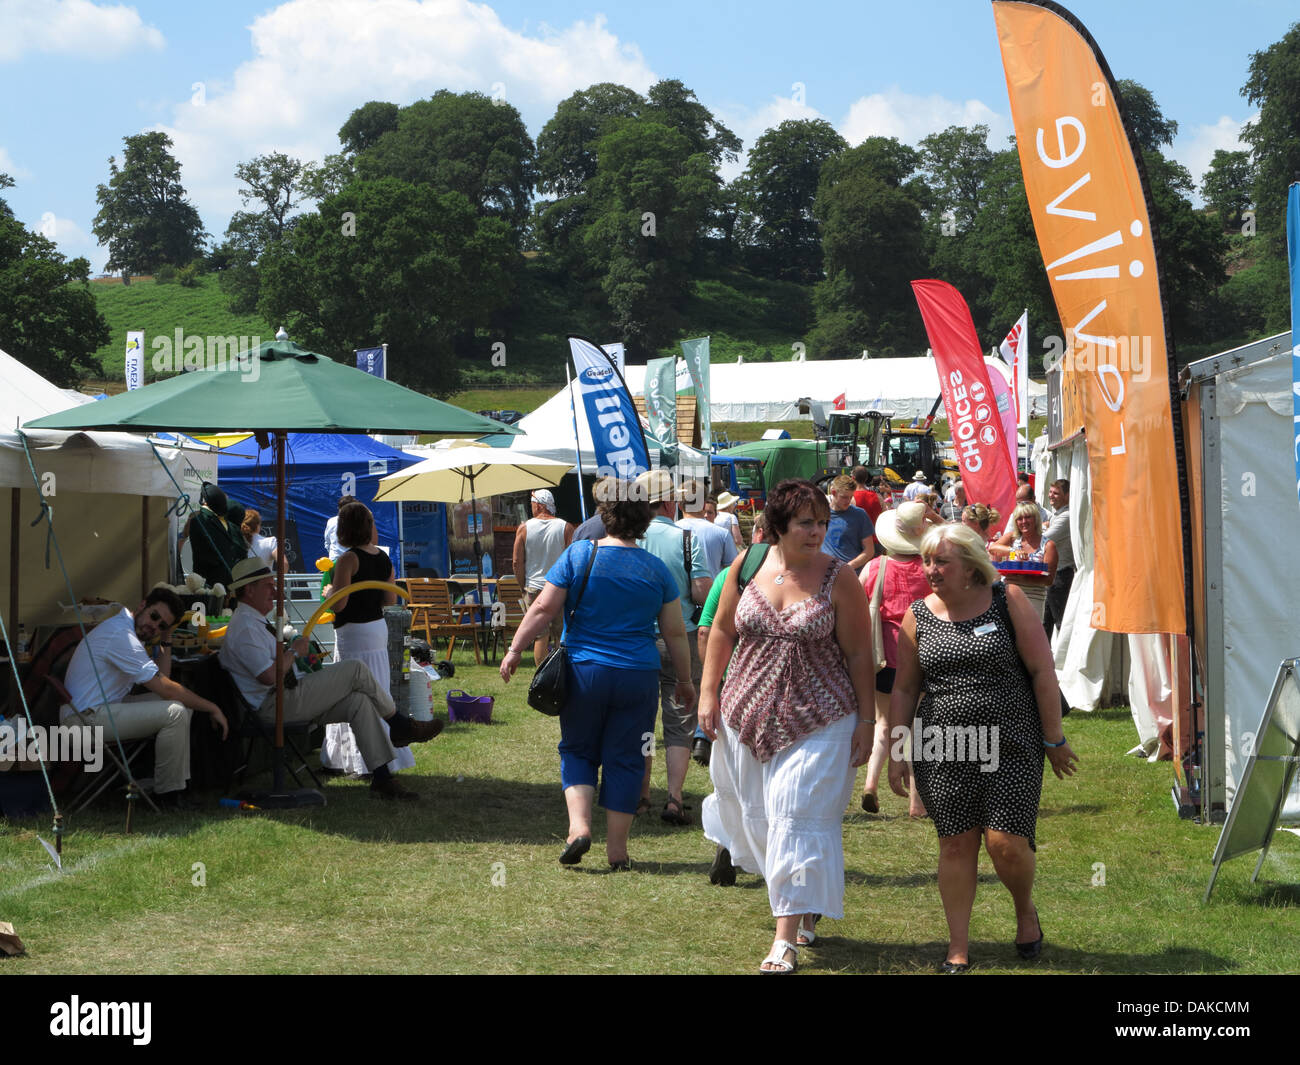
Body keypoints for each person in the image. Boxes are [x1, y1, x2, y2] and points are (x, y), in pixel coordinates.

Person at [698, 479, 875, 973]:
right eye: (806, 522)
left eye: (823, 522)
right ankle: (804, 901)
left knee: (795, 814)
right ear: (778, 525)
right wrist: (709, 692)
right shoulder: (748, 563)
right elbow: (721, 630)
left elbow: (861, 653)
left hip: (822, 716)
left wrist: (867, 718)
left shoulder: (839, 577)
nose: (818, 531)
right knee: (759, 817)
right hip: (746, 715)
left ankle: (784, 939)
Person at [888, 523, 1077, 972]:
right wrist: (898, 750)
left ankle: (1024, 910)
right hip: (944, 746)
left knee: (1006, 843)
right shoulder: (919, 614)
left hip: (1011, 742)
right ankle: (958, 945)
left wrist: (1054, 737)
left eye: (941, 562)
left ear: (971, 566)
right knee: (955, 844)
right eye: (927, 561)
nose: (931, 570)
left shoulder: (1006, 600)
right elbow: (903, 690)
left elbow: (1042, 671)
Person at [499, 478, 694, 869]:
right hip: (638, 676)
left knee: (577, 748)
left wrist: (515, 649)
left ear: (605, 515)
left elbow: (542, 610)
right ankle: (618, 851)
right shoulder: (656, 570)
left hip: (585, 671)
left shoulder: (579, 555)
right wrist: (686, 681)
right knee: (628, 757)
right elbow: (674, 631)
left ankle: (580, 829)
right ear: (645, 518)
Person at [219, 557, 441, 801]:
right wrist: (293, 653)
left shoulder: (252, 622)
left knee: (358, 701)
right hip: (275, 705)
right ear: (249, 590)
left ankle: (382, 778)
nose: (275, 590)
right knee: (355, 669)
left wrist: (294, 653)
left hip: (285, 698)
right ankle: (399, 724)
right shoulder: (245, 627)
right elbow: (269, 676)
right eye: (268, 585)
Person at [60, 588, 228, 808]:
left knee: (181, 708)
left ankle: (171, 786)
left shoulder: (126, 630)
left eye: (162, 626)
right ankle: (168, 796)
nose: (154, 626)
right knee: (176, 712)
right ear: (142, 606)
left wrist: (166, 639)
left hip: (96, 712)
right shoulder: (122, 636)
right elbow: (166, 687)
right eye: (154, 616)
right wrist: (212, 707)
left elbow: (163, 680)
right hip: (82, 722)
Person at [634, 469, 710, 824]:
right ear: (670, 501)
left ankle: (642, 793)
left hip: (638, 639)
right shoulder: (686, 539)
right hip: (682, 637)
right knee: (680, 721)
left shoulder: (629, 538)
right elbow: (700, 592)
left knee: (643, 721)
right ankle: (675, 798)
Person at [318, 502, 415, 779]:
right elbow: (390, 599)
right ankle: (379, 756)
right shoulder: (384, 558)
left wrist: (328, 592)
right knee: (378, 688)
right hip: (376, 629)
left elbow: (339, 605)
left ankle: (351, 760)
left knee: (349, 692)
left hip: (353, 632)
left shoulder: (347, 560)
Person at [698, 511, 767, 887]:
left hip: (735, 692)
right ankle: (738, 851)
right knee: (746, 780)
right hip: (742, 694)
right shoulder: (734, 574)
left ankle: (730, 849)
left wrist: (712, 684)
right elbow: (713, 629)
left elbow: (705, 631)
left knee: (735, 780)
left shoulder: (730, 574)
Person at [857, 502, 931, 818]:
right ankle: (916, 800)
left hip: (882, 657)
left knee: (884, 723)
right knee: (916, 727)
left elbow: (859, 605)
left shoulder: (875, 567)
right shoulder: (930, 569)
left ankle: (871, 783)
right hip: (920, 655)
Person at [511, 488, 575, 661]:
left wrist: (522, 585)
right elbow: (572, 559)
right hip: (559, 587)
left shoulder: (524, 528)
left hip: (533, 587)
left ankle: (542, 675)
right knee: (559, 635)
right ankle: (558, 673)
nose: (531, 508)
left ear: (539, 505)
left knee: (540, 635)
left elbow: (517, 561)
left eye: (532, 504)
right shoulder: (566, 527)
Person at [989, 501, 1058, 619]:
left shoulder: (1048, 545)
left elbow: (1049, 580)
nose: (1024, 522)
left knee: (1031, 635)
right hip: (1009, 595)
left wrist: (1024, 578)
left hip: (1034, 599)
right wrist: (1013, 551)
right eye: (1019, 518)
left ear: (1036, 519)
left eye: (1028, 517)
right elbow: (992, 548)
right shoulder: (1012, 538)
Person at [180, 482, 247, 589]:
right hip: (229, 584)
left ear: (204, 501)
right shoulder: (226, 524)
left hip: (211, 584)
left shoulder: (199, 522)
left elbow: (205, 557)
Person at [677, 480, 737, 580]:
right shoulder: (722, 534)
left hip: (678, 595)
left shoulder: (670, 532)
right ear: (704, 505)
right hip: (713, 593)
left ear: (679, 506)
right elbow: (732, 574)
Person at [821, 474, 875, 573]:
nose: (848, 501)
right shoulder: (821, 514)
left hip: (851, 575)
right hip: (824, 574)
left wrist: (847, 568)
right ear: (833, 493)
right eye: (844, 497)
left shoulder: (860, 515)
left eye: (851, 497)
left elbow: (869, 551)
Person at [1042, 479, 1074, 640]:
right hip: (1053, 575)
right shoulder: (1058, 514)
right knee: (1045, 622)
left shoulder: (1066, 516)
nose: (1051, 496)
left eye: (1056, 493)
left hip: (1061, 575)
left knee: (1060, 622)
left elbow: (1044, 539)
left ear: (1067, 496)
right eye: (1050, 492)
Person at [240, 508, 285, 573]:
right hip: (264, 582)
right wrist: (274, 581)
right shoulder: (270, 542)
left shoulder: (235, 541)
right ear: (258, 526)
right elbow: (284, 564)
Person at [323, 495, 356, 563]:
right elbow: (328, 542)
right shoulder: (331, 521)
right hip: (338, 560)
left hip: (340, 560)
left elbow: (327, 543)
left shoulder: (331, 521)